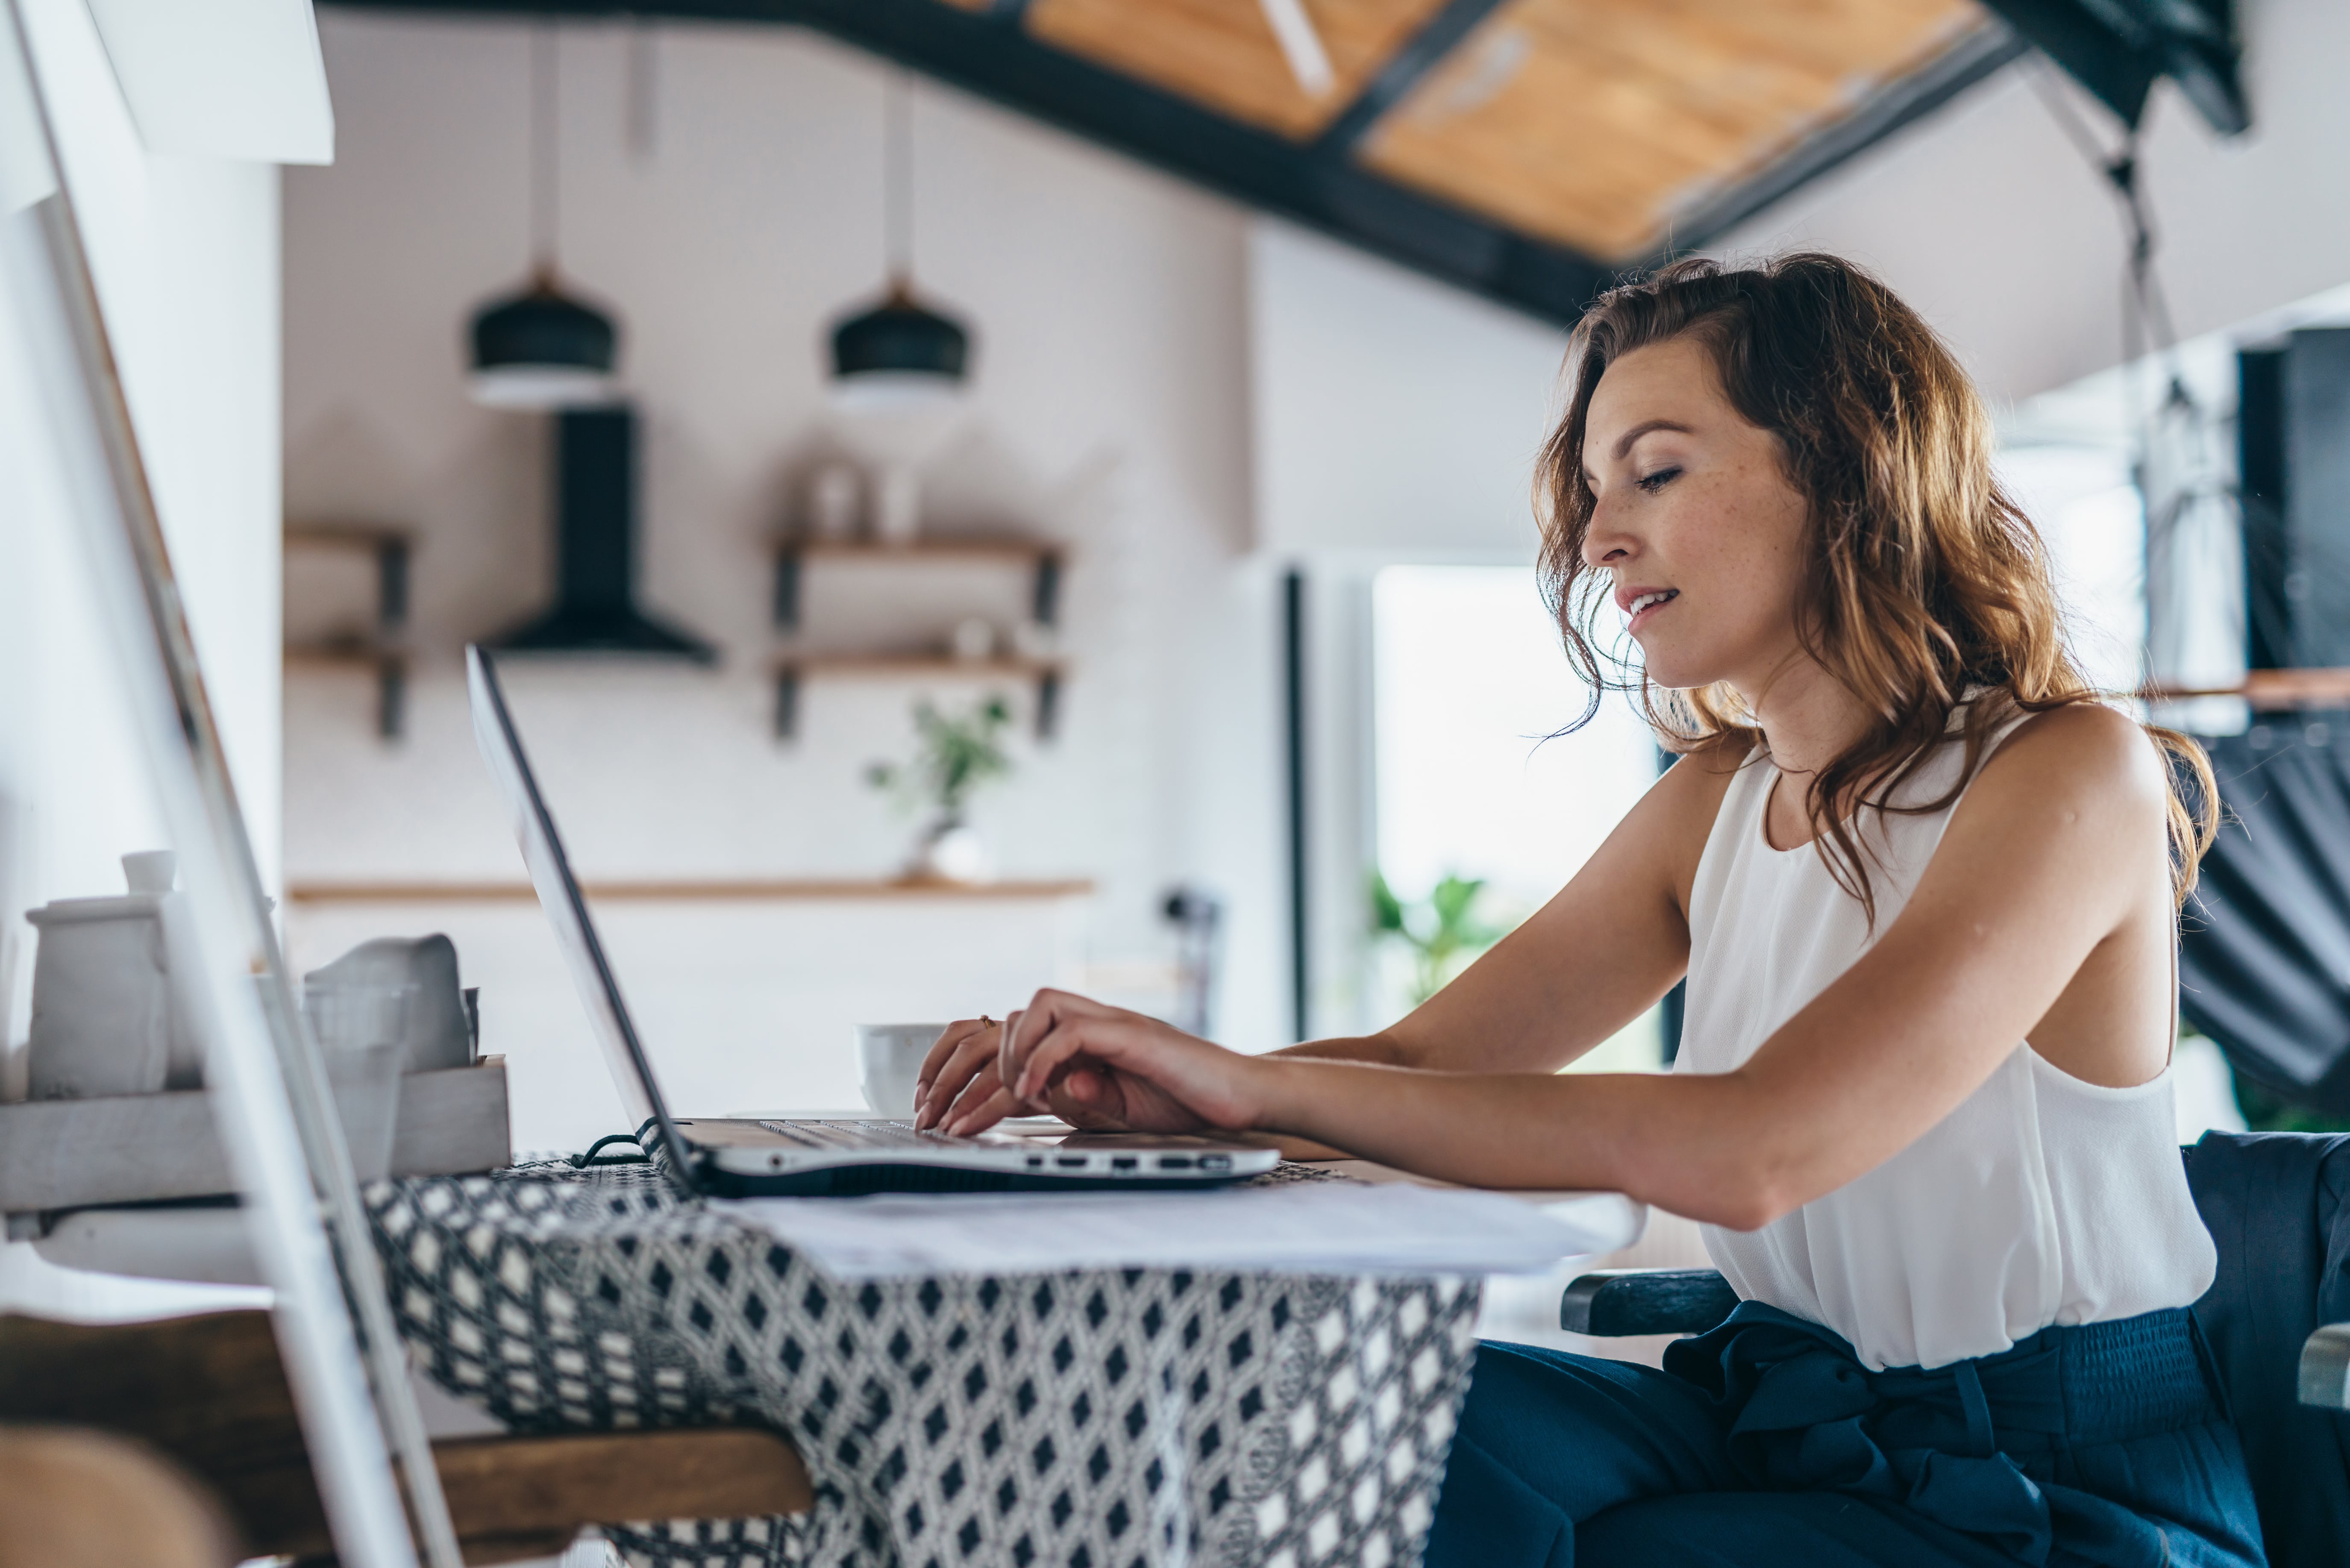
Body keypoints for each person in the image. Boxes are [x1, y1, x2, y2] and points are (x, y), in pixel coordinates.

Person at [911, 254, 2265, 1567]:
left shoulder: (2064, 772)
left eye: (1657, 471)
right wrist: (1194, 1092)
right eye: (1596, 484)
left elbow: (1760, 1147)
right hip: (1785, 1425)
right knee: (1323, 1416)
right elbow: (1429, 1065)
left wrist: (1250, 1088)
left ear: (1850, 472)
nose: (1596, 535)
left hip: (2061, 1493)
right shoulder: (1716, 800)